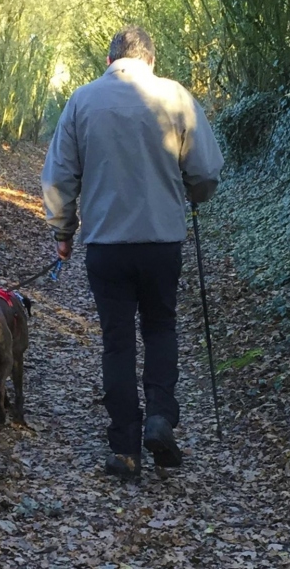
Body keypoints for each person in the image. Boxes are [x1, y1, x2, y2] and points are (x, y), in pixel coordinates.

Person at [41, 25, 223, 479]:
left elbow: (59, 176)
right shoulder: (176, 96)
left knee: (117, 342)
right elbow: (204, 171)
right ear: (150, 61)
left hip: (106, 246)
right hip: (162, 242)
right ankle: (160, 418)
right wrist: (194, 195)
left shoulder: (82, 101)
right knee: (161, 327)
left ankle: (125, 448)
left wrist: (63, 231)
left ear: (109, 62)